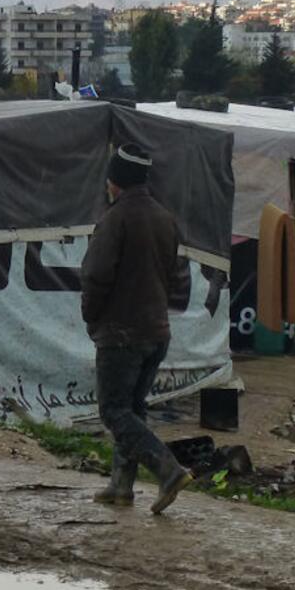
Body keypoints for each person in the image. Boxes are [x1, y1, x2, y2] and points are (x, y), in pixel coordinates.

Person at [80, 143, 192, 514]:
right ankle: (120, 486)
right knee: (133, 409)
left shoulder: (115, 219)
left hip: (121, 333)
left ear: (115, 181)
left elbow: (96, 275)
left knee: (113, 410)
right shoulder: (165, 218)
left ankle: (168, 470)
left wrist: (91, 317)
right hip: (156, 331)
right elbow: (176, 278)